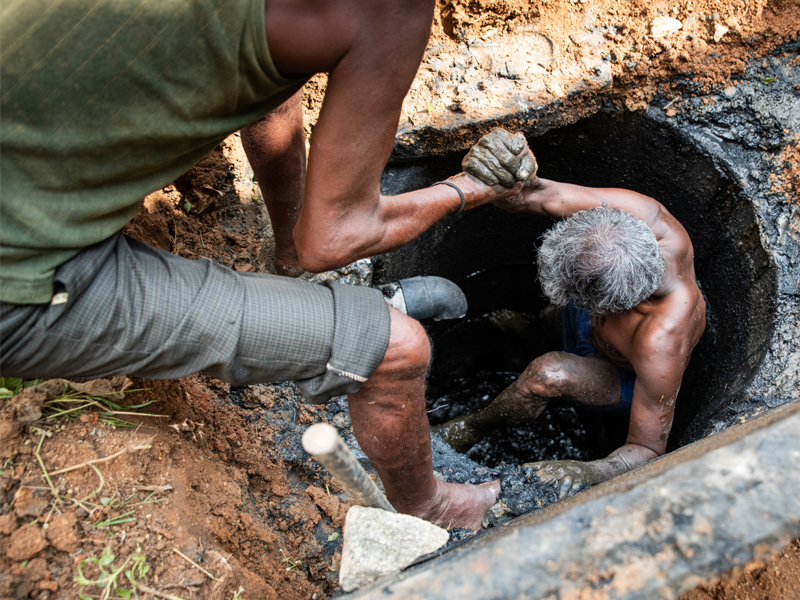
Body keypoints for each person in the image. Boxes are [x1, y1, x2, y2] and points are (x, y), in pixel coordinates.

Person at [0, 0, 534, 529]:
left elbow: (269, 101)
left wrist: (291, 252)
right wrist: (469, 188)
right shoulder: (389, 10)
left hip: (27, 190)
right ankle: (428, 507)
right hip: (24, 276)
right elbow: (335, 240)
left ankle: (286, 267)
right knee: (397, 349)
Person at [436, 129, 707, 499]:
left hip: (622, 370)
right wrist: (504, 171)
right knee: (550, 316)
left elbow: (646, 449)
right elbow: (535, 196)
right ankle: (538, 326)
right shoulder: (642, 216)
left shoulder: (661, 341)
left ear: (609, 307)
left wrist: (590, 472)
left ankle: (474, 426)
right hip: (598, 318)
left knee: (548, 373)